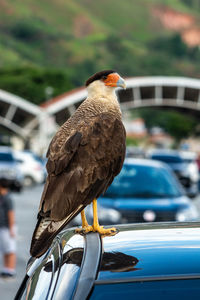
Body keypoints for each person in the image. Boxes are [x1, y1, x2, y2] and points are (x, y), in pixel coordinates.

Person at [0, 178, 16, 279]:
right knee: (5, 249)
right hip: (2, 227)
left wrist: (11, 229)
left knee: (10, 249)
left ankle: (10, 269)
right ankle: (6, 269)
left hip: (7, 227)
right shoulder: (2, 197)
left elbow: (11, 214)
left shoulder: (7, 198)